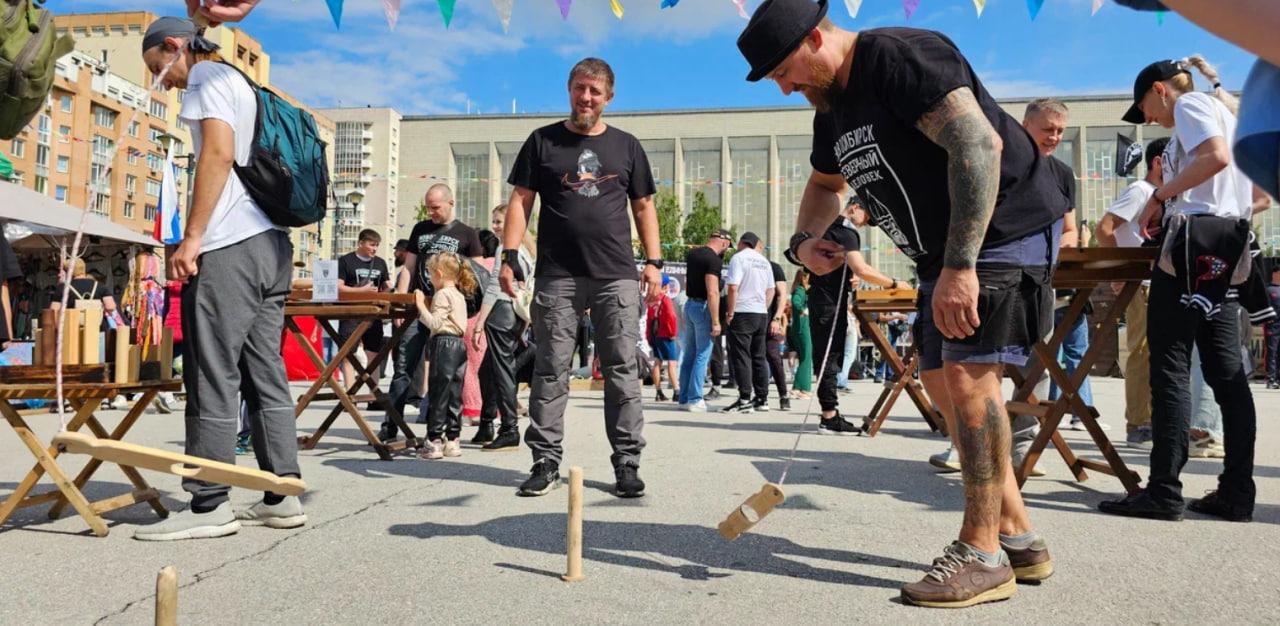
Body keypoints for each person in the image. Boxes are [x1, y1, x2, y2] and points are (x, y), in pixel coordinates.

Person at [739, 3, 1068, 605]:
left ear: (815, 37)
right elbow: (823, 185)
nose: (785, 87)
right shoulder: (831, 111)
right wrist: (803, 242)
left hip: (999, 230)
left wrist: (961, 265)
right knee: (942, 383)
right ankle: (1020, 538)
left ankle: (982, 553)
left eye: (783, 71)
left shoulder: (898, 56)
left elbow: (979, 143)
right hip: (938, 252)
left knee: (969, 376)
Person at [133, 17, 303, 540]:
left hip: (230, 243)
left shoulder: (206, 80)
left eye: (156, 66)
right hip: (271, 244)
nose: (161, 79)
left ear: (171, 47)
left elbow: (218, 153)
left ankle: (209, 504)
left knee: (211, 371)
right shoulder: (236, 79)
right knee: (263, 372)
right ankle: (282, 494)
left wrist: (193, 237)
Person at [1099, 58, 1263, 524]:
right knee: (1226, 374)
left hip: (1190, 244)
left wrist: (1159, 196)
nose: (1147, 118)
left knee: (1168, 367)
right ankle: (1236, 490)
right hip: (1229, 244)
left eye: (1144, 107)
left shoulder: (1191, 104)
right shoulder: (1224, 112)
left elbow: (1215, 156)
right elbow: (1253, 187)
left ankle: (1164, 489)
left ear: (1159, 90)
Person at [499, 57, 661, 499]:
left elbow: (644, 207)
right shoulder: (541, 142)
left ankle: (627, 461)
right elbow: (521, 200)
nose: (586, 97)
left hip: (616, 276)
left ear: (608, 98)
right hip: (558, 276)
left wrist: (654, 262)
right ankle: (544, 460)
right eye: (580, 88)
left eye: (595, 91)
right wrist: (510, 255)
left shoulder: (627, 146)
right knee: (550, 369)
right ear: (569, 89)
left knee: (623, 370)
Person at [382, 184, 484, 441]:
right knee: (404, 365)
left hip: (448, 311)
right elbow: (408, 267)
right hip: (418, 307)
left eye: (436, 207)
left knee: (447, 372)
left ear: (450, 203)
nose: (431, 213)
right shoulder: (420, 229)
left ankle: (449, 432)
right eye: (428, 207)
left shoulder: (468, 233)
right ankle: (390, 424)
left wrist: (470, 311)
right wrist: (401, 303)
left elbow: (478, 275)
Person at [799, 197, 908, 436]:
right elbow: (863, 269)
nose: (864, 224)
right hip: (828, 303)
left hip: (823, 297)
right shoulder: (845, 233)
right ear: (855, 207)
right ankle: (829, 416)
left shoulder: (827, 228)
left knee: (828, 354)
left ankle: (829, 412)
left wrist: (844, 274)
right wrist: (893, 283)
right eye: (866, 218)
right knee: (830, 355)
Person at [1096, 138, 1169, 449]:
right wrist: (1121, 271)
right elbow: (1104, 228)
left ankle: (1151, 419)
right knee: (1140, 353)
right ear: (1157, 162)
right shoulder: (1141, 191)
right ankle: (1138, 423)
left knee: (1156, 353)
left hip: (1156, 282)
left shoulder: (1165, 194)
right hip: (1141, 283)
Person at [473, 205, 535, 450]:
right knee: (487, 371)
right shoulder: (528, 249)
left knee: (501, 371)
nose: (495, 226)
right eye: (494, 222)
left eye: (499, 221)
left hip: (501, 311)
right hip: (517, 315)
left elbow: (494, 287)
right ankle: (487, 424)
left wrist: (479, 322)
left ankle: (508, 427)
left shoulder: (505, 249)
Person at [413, 252, 477, 460]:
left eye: (431, 275)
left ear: (439, 274)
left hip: (444, 342)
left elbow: (434, 323)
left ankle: (434, 440)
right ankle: (453, 439)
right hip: (459, 345)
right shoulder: (459, 294)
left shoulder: (442, 294)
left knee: (438, 393)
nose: (430, 279)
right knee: (454, 394)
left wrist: (420, 303)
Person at [721, 232, 775, 414]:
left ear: (742, 243)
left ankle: (744, 398)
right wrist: (764, 308)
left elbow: (733, 287)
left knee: (741, 355)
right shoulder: (764, 261)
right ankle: (762, 398)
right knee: (759, 356)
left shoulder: (739, 258)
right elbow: (771, 290)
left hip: (743, 311)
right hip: (760, 313)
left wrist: (730, 312)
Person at [678, 229, 731, 412]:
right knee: (703, 354)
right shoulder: (713, 260)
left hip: (690, 305)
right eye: (727, 247)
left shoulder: (693, 254)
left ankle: (684, 398)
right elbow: (713, 291)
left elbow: (688, 283)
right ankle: (695, 399)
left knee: (689, 354)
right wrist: (716, 320)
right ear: (724, 242)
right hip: (702, 308)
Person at [336, 229, 392, 401]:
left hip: (373, 313)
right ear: (360, 243)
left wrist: (391, 290)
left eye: (377, 245)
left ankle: (373, 395)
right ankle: (349, 394)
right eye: (371, 244)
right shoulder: (346, 261)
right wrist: (362, 290)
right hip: (350, 312)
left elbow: (386, 284)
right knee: (348, 354)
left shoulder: (380, 263)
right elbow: (338, 287)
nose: (374, 249)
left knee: (374, 353)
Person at [461, 229, 498, 425]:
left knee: (471, 366)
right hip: (495, 320)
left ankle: (472, 409)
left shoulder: (472, 266)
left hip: (473, 318)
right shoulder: (500, 265)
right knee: (490, 367)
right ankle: (492, 409)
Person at [762, 246, 792, 410]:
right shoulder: (744, 267)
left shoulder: (773, 267)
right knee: (755, 359)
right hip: (752, 319)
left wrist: (777, 318)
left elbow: (782, 294)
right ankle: (761, 396)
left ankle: (783, 395)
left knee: (773, 356)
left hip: (769, 320)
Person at [646, 276, 680, 401]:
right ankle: (676, 391)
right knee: (672, 362)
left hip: (655, 335)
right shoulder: (666, 299)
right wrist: (672, 332)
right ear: (665, 286)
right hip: (666, 334)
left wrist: (649, 336)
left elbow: (649, 320)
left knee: (657, 362)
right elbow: (671, 316)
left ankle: (658, 392)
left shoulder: (652, 300)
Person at [788, 269, 814, 399]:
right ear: (804, 278)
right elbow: (796, 301)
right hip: (803, 328)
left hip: (800, 328)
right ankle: (803, 389)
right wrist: (802, 310)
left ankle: (798, 387)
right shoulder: (800, 290)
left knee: (805, 357)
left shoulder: (800, 290)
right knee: (806, 358)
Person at [1266, 267, 1280, 389]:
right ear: (1274, 273)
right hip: (1273, 326)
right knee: (1272, 352)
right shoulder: (1268, 289)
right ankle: (1271, 378)